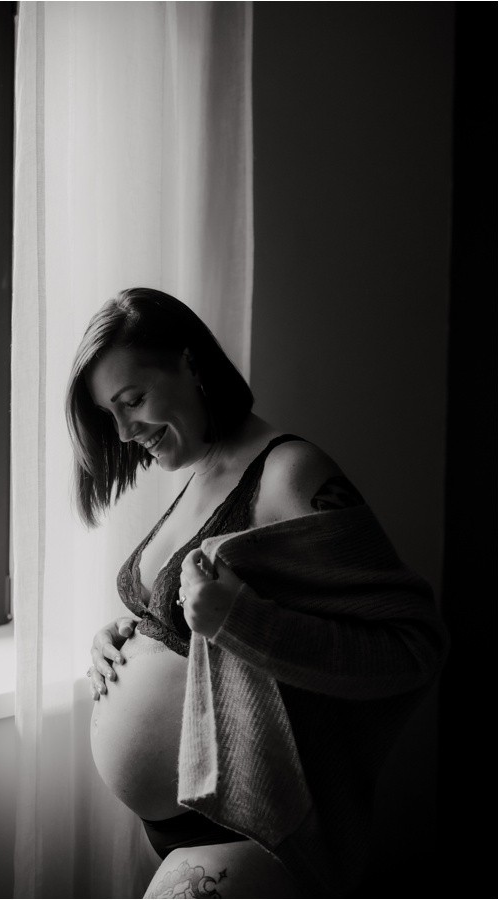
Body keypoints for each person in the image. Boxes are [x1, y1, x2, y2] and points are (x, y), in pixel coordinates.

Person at [66, 288, 448, 898]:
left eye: (133, 400)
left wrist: (241, 619)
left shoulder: (291, 472)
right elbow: (180, 622)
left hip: (244, 827)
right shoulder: (197, 471)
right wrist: (120, 636)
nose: (125, 431)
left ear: (191, 364)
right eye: (110, 415)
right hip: (180, 824)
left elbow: (414, 647)